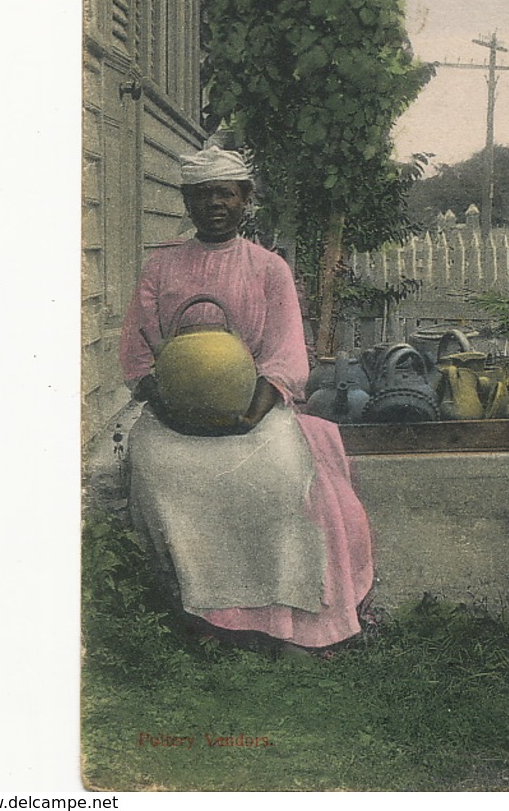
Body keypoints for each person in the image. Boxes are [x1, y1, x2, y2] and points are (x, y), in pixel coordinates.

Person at [119, 146, 373, 655]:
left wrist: (245, 417)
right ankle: (202, 619)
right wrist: (172, 409)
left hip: (253, 413)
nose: (214, 204)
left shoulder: (268, 268)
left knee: (281, 474)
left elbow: (283, 355)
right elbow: (137, 353)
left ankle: (281, 617)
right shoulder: (162, 267)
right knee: (155, 467)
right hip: (178, 419)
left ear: (245, 199)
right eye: (201, 195)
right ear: (186, 202)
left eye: (225, 193)